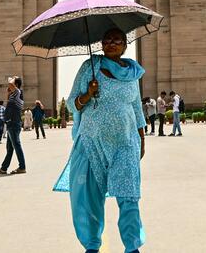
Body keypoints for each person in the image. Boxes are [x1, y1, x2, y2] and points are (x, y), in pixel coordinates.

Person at [53, 28, 147, 253]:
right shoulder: (90, 67)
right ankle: (92, 246)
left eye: (117, 40)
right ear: (101, 44)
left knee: (129, 196)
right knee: (89, 199)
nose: (111, 43)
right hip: (91, 143)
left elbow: (135, 107)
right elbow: (70, 104)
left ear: (125, 45)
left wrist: (142, 138)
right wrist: (88, 94)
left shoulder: (133, 72)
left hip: (125, 143)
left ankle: (132, 248)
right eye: (107, 40)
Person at [0, 76, 26, 175]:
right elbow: (9, 102)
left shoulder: (17, 93)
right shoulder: (14, 95)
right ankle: (4, 168)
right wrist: (8, 93)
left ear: (16, 85)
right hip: (11, 123)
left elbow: (10, 84)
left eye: (14, 81)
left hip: (13, 123)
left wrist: (11, 78)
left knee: (16, 145)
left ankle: (22, 167)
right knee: (10, 148)